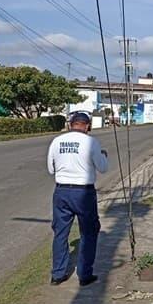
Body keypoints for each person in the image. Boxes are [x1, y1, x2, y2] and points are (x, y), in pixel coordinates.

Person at [46, 112, 108, 286]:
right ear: (87, 126)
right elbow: (102, 168)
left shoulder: (57, 141)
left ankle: (58, 274)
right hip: (83, 193)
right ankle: (84, 274)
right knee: (88, 232)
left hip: (61, 191)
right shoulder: (91, 142)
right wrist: (103, 155)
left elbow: (51, 170)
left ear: (70, 124)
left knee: (60, 233)